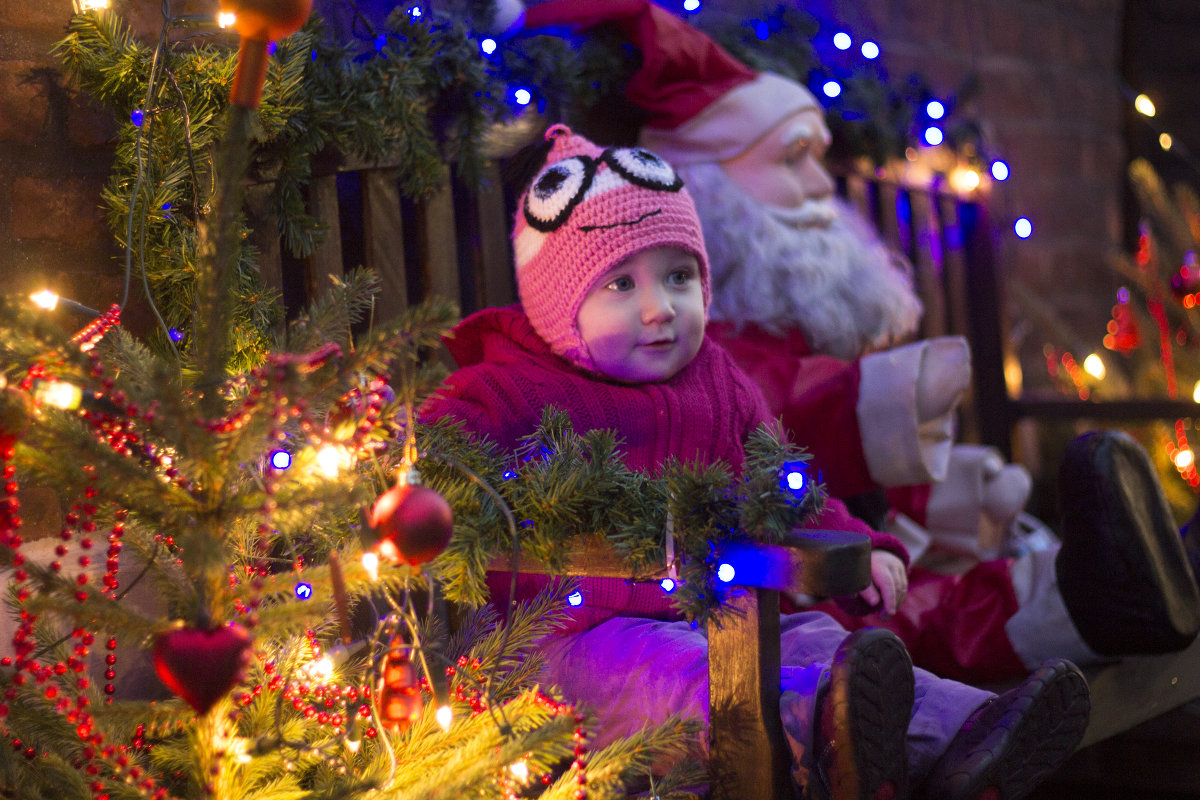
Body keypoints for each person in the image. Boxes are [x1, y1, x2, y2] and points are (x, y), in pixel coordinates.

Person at [516, 0, 1200, 684]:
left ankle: (1130, 579)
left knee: (920, 596)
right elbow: (773, 421)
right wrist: (870, 402)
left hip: (848, 534)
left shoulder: (762, 317)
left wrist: (923, 498)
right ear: (710, 185)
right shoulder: (686, 350)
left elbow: (797, 472)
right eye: (795, 160)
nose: (823, 185)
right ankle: (1091, 599)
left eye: (820, 159)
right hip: (768, 580)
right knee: (892, 625)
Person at [421, 123, 1090, 800]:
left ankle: (973, 736)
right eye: (620, 284)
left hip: (716, 616)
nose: (659, 309)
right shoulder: (505, 387)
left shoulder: (715, 377)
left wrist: (857, 544)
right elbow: (432, 467)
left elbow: (781, 479)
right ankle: (831, 734)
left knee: (814, 641)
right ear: (559, 307)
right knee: (682, 674)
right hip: (565, 646)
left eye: (678, 277)